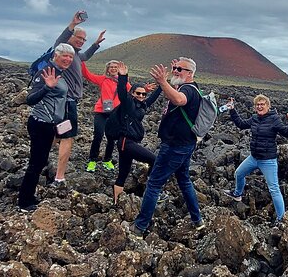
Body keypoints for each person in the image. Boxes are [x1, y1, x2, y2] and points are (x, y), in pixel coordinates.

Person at [130, 57, 205, 237]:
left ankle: (139, 227)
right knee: (184, 180)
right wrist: (167, 81)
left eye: (180, 69)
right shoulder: (186, 87)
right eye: (174, 68)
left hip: (175, 146)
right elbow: (172, 95)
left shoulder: (188, 89)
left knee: (154, 183)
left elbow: (179, 100)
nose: (176, 71)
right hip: (185, 144)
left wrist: (163, 81)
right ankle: (198, 220)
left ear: (190, 73)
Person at [18, 43, 75, 212]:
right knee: (36, 163)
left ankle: (29, 195)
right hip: (40, 123)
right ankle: (24, 202)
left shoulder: (59, 72)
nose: (68, 59)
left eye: (71, 57)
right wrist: (46, 87)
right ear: (55, 56)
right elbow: (30, 99)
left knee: (41, 161)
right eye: (64, 55)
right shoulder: (46, 72)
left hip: (51, 125)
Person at [224, 95, 288, 223]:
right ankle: (237, 194)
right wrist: (232, 110)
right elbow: (241, 124)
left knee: (274, 189)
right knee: (238, 173)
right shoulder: (254, 118)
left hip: (268, 160)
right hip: (254, 158)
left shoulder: (274, 119)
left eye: (262, 104)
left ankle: (282, 219)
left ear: (268, 106)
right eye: (257, 104)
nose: (259, 106)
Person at [52, 11, 106, 185]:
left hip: (67, 102)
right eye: (80, 38)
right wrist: (72, 24)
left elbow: (86, 56)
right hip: (66, 102)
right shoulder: (64, 51)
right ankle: (60, 176)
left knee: (58, 131)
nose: (82, 41)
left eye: (84, 39)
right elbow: (60, 41)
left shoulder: (75, 54)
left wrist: (96, 44)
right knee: (68, 137)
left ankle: (49, 147)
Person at [106, 62, 163, 204]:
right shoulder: (127, 103)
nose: (142, 96)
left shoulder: (142, 105)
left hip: (127, 144)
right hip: (126, 142)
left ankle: (116, 202)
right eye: (138, 93)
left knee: (123, 174)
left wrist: (162, 84)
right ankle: (151, 191)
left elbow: (152, 99)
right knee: (154, 160)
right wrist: (123, 76)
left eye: (143, 94)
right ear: (132, 93)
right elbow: (121, 91)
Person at [81, 60, 130, 172]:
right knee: (98, 135)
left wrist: (145, 90)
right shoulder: (102, 79)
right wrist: (81, 60)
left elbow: (133, 91)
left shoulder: (123, 82)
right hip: (101, 111)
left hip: (115, 113)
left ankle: (107, 159)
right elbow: (87, 75)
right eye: (111, 67)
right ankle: (92, 160)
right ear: (107, 69)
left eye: (115, 67)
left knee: (111, 138)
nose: (113, 69)